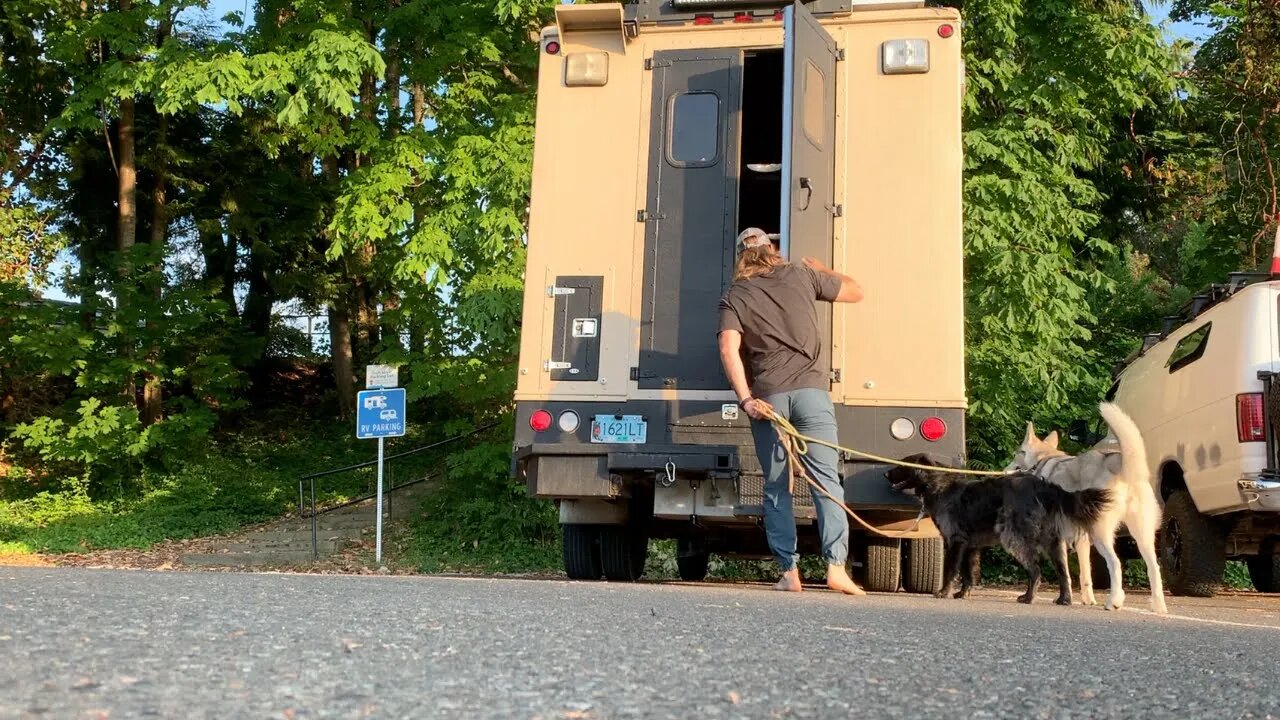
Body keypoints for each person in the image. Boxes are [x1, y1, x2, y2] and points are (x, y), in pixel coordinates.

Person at [717, 227, 865, 594]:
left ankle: (790, 573)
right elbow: (856, 292)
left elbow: (727, 348)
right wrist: (825, 268)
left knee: (779, 487)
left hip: (770, 400)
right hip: (812, 394)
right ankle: (836, 568)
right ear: (772, 249)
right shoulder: (802, 273)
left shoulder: (735, 295)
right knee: (827, 482)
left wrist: (746, 398)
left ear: (741, 257)